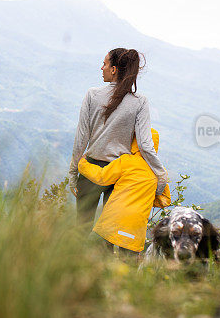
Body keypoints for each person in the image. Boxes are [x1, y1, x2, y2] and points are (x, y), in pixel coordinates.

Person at [69, 48, 168, 225]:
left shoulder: (92, 95)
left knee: (81, 228)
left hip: (90, 170)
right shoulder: (139, 102)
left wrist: (73, 172)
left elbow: (81, 138)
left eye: (105, 64)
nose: (101, 68)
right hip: (119, 174)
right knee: (109, 232)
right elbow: (145, 145)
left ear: (114, 69)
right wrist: (161, 174)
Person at [78, 129, 172, 255]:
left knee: (98, 255)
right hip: (136, 227)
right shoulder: (160, 172)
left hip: (113, 218)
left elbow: (101, 177)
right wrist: (145, 198)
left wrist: (83, 164)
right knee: (129, 263)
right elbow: (165, 200)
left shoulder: (127, 161)